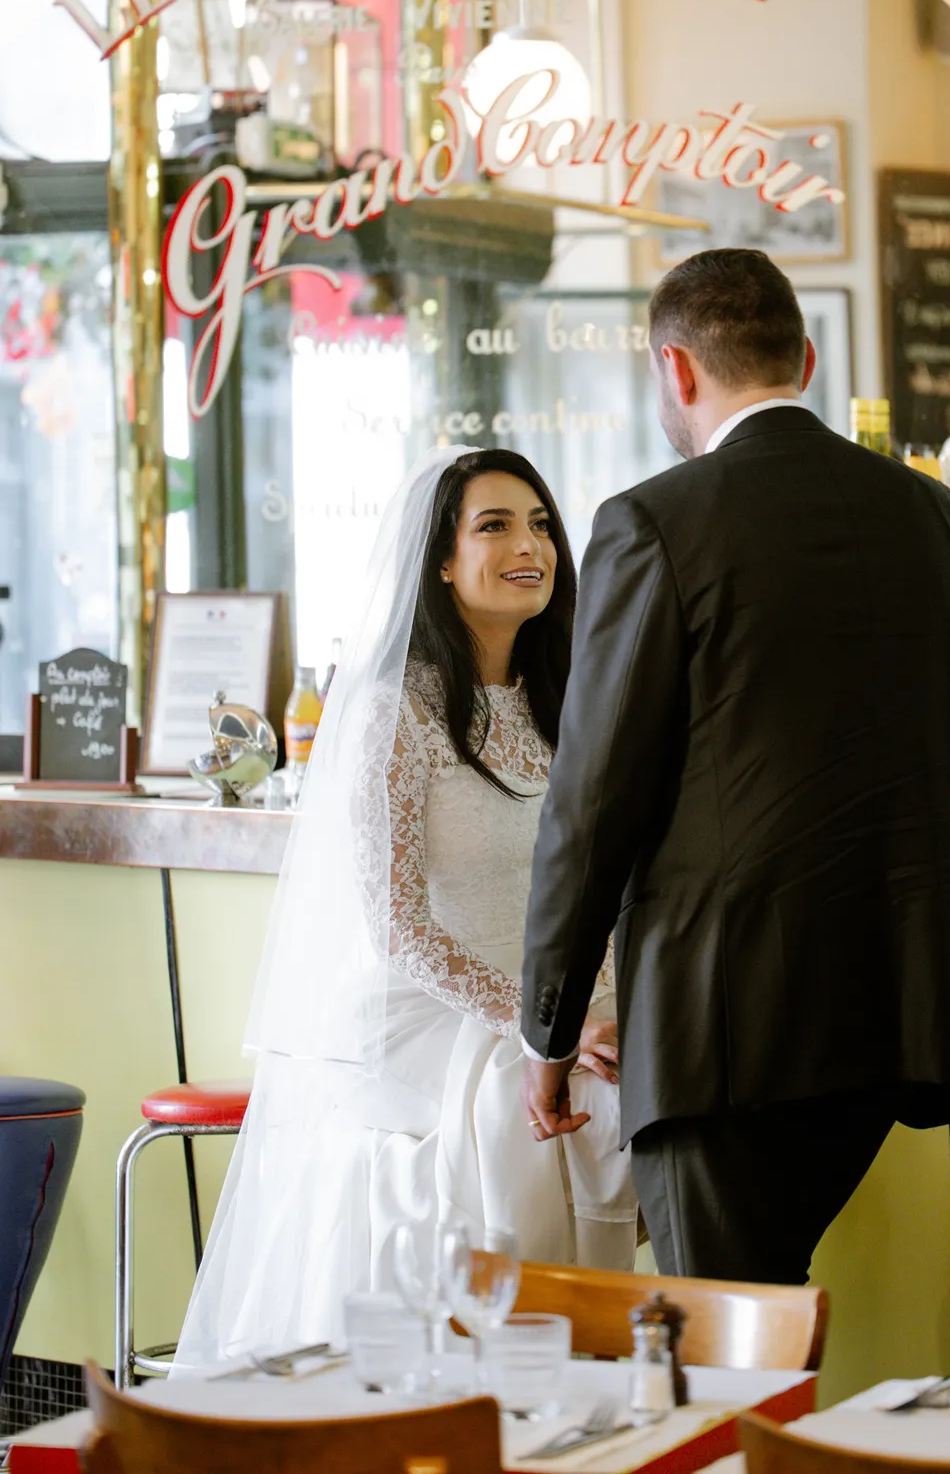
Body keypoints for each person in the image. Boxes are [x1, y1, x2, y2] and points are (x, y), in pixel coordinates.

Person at [521, 248, 950, 1286]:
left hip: (717, 1028)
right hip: (889, 1013)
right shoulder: (941, 518)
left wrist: (546, 1030)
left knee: (721, 1354)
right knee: (760, 1325)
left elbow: (593, 807)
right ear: (806, 360)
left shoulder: (650, 524)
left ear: (674, 370)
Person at [176, 448, 634, 1368]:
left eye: (540, 524)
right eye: (495, 526)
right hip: (435, 1004)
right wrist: (540, 1024)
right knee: (525, 1111)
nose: (530, 546)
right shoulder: (397, 711)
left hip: (567, 991)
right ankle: (519, 1374)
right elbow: (397, 928)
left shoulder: (568, 702)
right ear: (438, 558)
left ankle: (605, 1380)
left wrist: (604, 1007)